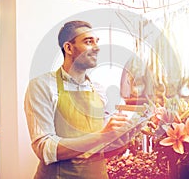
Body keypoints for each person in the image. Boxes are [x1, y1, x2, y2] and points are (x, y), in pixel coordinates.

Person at [24, 20, 134, 178]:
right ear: (68, 48)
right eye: (88, 42)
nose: (96, 48)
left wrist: (122, 138)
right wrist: (102, 136)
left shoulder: (99, 90)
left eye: (96, 42)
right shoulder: (42, 86)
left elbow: (101, 149)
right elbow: (44, 148)